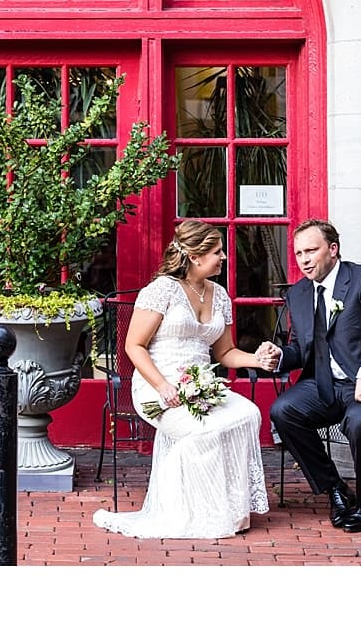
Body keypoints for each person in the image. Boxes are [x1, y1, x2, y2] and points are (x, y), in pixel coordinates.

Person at [93, 220, 269, 539]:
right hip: (157, 387)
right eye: (217, 252)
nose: (224, 257)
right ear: (194, 255)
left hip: (202, 387)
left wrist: (256, 359)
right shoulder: (162, 290)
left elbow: (226, 352)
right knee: (205, 430)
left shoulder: (219, 295)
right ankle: (182, 508)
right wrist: (162, 385)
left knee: (248, 414)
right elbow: (134, 345)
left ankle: (229, 509)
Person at [268, 219, 361, 533]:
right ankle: (335, 489)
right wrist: (278, 357)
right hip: (326, 386)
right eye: (299, 252)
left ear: (333, 249)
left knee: (360, 421)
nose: (304, 259)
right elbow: (300, 347)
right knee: (282, 411)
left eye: (311, 251)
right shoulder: (300, 293)